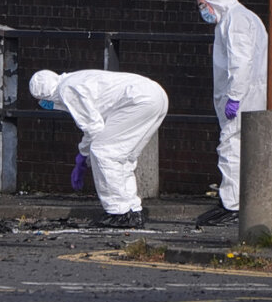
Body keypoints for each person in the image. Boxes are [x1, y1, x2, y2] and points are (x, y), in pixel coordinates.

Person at [29, 69, 168, 229]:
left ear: (45, 95)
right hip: (155, 95)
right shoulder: (75, 79)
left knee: (104, 152)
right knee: (123, 156)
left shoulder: (67, 90)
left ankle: (119, 212)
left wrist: (82, 156)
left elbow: (93, 128)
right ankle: (132, 209)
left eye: (41, 101)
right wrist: (83, 155)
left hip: (138, 100)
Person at [195, 0, 268, 227]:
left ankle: (232, 205)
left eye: (203, 4)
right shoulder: (239, 18)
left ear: (214, 1)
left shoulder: (235, 21)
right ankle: (233, 202)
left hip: (241, 98)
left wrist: (234, 97)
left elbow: (240, 63)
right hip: (247, 96)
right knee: (238, 148)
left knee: (230, 147)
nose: (202, 10)